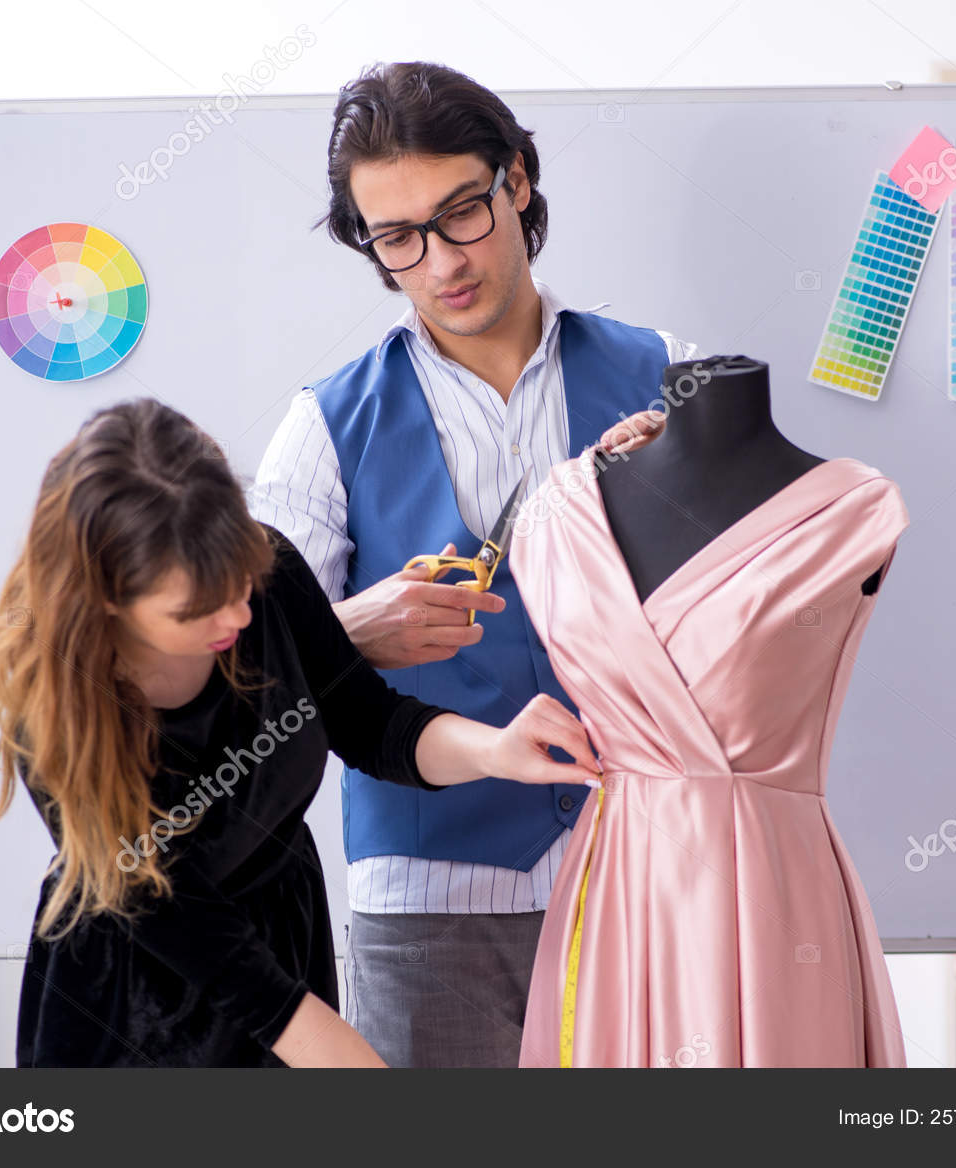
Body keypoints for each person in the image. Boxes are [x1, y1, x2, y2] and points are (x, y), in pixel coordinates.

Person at [249, 59, 698, 1069]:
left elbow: (766, 616)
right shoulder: (323, 427)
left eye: (461, 213)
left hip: (644, 872)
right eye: (396, 238)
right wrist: (353, 629)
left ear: (518, 182)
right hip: (428, 906)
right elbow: (239, 670)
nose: (441, 260)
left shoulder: (672, 377)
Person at [0, 398, 601, 1067]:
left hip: (280, 941)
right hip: (140, 984)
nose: (237, 615)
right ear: (107, 598)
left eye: (240, 583)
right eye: (196, 609)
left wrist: (497, 750)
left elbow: (371, 722)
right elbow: (198, 937)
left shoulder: (266, 572)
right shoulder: (55, 704)